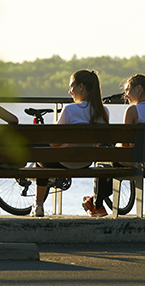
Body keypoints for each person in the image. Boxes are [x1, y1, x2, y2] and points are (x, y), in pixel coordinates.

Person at [82, 73, 145, 217]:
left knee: (103, 156)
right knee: (113, 159)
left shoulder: (133, 110)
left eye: (127, 90)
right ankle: (93, 202)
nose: (125, 96)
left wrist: (113, 146)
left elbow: (124, 146)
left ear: (138, 88)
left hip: (135, 159)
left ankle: (97, 204)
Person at [31, 69, 109, 217]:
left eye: (71, 86)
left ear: (81, 87)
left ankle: (38, 205)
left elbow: (54, 144)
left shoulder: (69, 109)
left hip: (64, 161)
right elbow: (101, 142)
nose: (69, 91)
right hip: (86, 162)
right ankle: (39, 204)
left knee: (40, 153)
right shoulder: (103, 111)